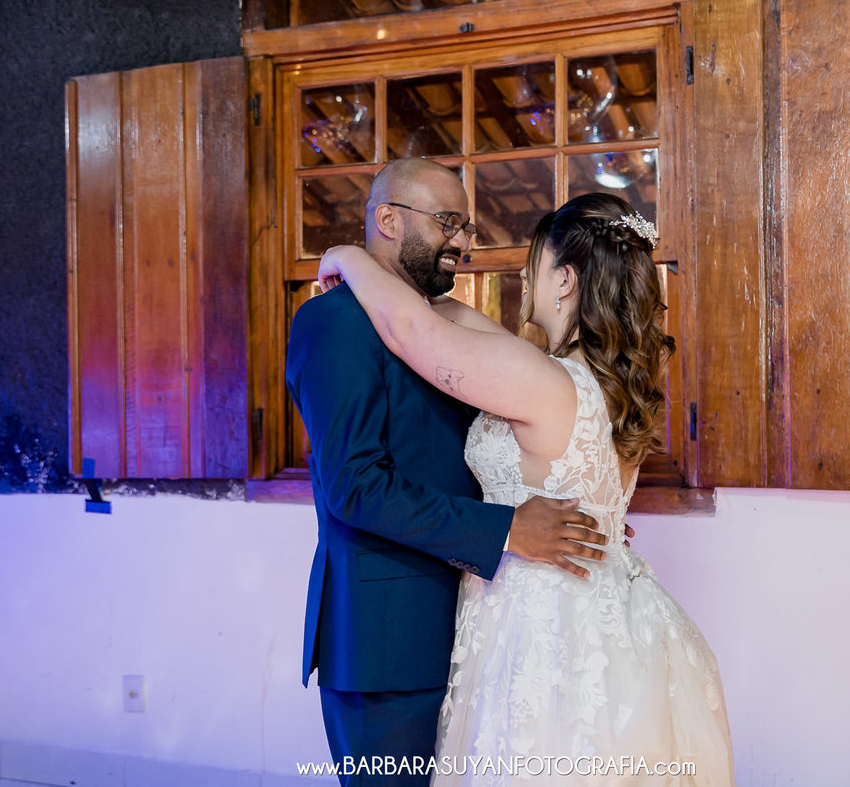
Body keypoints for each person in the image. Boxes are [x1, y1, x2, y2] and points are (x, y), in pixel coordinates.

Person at [316, 191, 735, 785]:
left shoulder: (543, 380)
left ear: (564, 280)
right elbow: (449, 318)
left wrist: (348, 257)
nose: (522, 273)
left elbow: (412, 330)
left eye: (534, 261)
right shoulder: (602, 383)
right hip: (606, 616)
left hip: (543, 625)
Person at [285, 158, 610, 787]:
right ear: (388, 219)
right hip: (388, 643)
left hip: (480, 627)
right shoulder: (333, 322)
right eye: (448, 222)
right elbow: (356, 486)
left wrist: (572, 503)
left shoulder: (440, 324)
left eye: (465, 227)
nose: (462, 241)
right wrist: (508, 529)